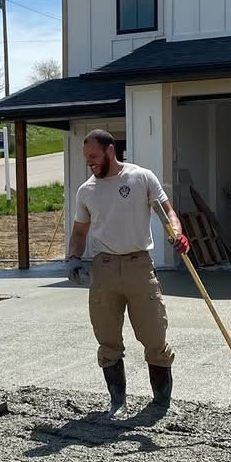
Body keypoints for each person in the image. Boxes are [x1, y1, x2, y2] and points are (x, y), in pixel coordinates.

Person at [66, 129, 189, 417]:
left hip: (139, 266)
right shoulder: (86, 191)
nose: (90, 162)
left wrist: (177, 232)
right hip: (104, 270)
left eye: (94, 156)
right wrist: (72, 257)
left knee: (154, 335)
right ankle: (117, 401)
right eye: (86, 158)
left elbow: (167, 212)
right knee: (107, 338)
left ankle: (160, 402)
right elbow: (79, 231)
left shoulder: (141, 177)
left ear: (110, 150)